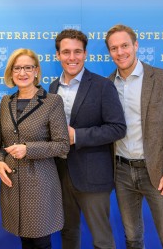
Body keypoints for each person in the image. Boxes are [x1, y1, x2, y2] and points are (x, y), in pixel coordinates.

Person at [105, 24, 163, 249]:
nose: (120, 52)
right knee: (132, 238)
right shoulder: (107, 85)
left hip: (158, 170)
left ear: (135, 45)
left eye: (124, 45)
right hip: (121, 172)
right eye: (114, 48)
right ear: (109, 52)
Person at [49, 29, 127, 249]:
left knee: (102, 238)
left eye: (77, 52)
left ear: (85, 54)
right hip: (61, 174)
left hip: (93, 176)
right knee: (68, 233)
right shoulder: (52, 88)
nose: (71, 57)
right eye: (66, 52)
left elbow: (117, 128)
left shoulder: (103, 86)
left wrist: (78, 136)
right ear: (58, 55)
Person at [0, 48, 70, 249]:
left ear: (36, 70)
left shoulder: (52, 101)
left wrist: (28, 149)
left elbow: (62, 145)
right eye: (17, 68)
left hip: (40, 185)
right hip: (11, 183)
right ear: (11, 72)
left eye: (28, 67)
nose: (22, 73)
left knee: (40, 242)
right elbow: (3, 142)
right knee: (24, 241)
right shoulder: (5, 102)